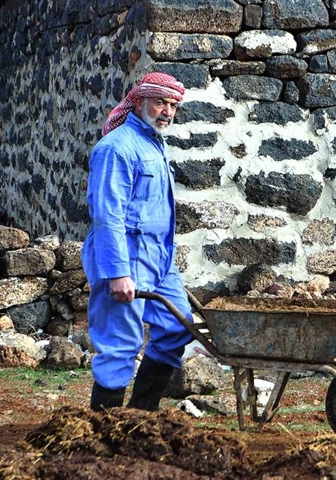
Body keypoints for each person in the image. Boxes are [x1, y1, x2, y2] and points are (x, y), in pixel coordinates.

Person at [82, 72, 194, 411]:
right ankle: (103, 429)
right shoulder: (116, 148)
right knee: (120, 342)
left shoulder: (153, 143)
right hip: (125, 257)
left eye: (173, 105)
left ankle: (140, 416)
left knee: (179, 326)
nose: (167, 112)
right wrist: (117, 272)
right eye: (160, 102)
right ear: (139, 101)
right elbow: (107, 216)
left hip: (158, 260)